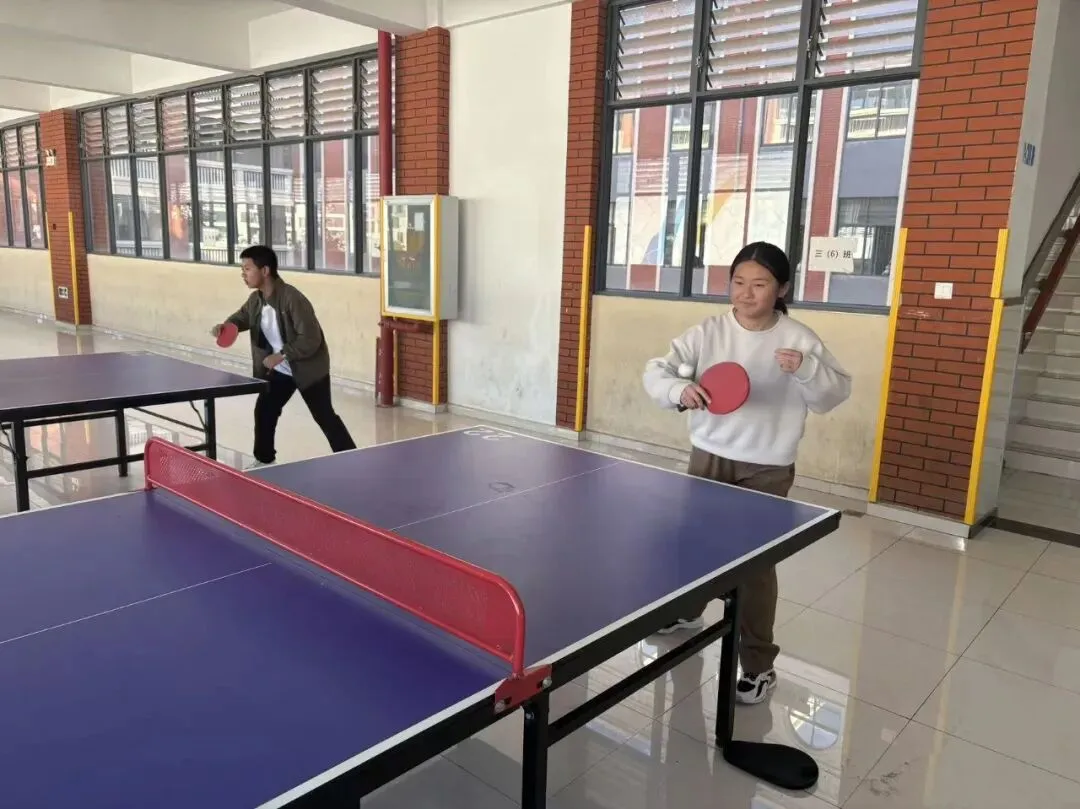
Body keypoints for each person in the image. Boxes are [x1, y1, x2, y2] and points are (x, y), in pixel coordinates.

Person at [642, 241, 851, 705]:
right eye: (738, 282)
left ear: (782, 289)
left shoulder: (799, 339)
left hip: (768, 467)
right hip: (708, 456)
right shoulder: (708, 332)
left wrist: (807, 370)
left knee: (754, 568)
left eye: (759, 284)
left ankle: (758, 666)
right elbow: (658, 370)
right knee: (695, 544)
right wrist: (678, 389)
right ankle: (688, 611)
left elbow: (833, 395)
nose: (746, 293)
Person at [211, 245, 356, 466]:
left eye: (247, 269)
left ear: (265, 270)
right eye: (242, 269)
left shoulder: (292, 298)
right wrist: (225, 326)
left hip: (308, 369)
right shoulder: (256, 300)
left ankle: (352, 459)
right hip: (281, 370)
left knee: (324, 416)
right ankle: (264, 460)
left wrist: (281, 355)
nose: (243, 274)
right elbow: (241, 318)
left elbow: (311, 339)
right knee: (265, 410)